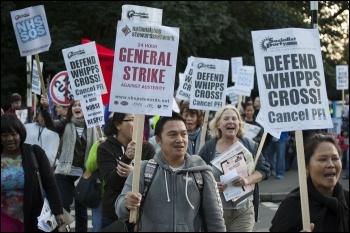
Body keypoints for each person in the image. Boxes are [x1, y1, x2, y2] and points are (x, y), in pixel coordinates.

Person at [115, 111, 226, 232]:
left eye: (184, 134)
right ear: (158, 140)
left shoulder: (201, 171)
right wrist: (127, 204)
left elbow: (215, 219)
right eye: (172, 135)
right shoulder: (144, 170)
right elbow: (120, 210)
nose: (180, 140)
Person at [198, 105, 270, 232]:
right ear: (218, 124)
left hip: (244, 211)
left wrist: (247, 180)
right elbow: (198, 176)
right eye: (226, 119)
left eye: (234, 118)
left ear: (239, 123)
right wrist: (212, 184)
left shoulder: (250, 145)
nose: (231, 121)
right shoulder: (208, 148)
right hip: (216, 213)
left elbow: (264, 170)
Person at [270, 132, 349, 232]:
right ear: (306, 166)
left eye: (335, 158)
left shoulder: (346, 199)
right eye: (322, 159)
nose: (331, 165)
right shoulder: (293, 206)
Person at [1, 114, 65, 232]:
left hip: (34, 217)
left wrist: (58, 211)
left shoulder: (35, 153)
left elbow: (50, 184)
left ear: (20, 135)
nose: (9, 138)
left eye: (13, 134)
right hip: (5, 219)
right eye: (4, 135)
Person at [41, 99, 98, 232]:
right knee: (63, 208)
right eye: (75, 106)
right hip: (64, 172)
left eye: (80, 106)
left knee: (81, 211)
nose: (77, 108)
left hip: (84, 174)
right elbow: (50, 125)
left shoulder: (94, 127)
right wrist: (45, 110)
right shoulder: (64, 124)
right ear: (71, 109)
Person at [97, 112, 155, 230]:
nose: (137, 124)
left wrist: (135, 173)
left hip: (142, 214)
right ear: (118, 125)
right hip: (113, 215)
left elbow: (155, 179)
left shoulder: (147, 148)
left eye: (139, 120)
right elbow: (112, 182)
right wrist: (126, 158)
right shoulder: (105, 148)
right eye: (132, 119)